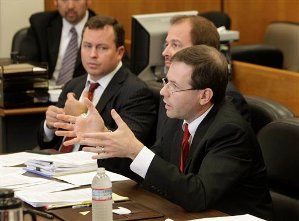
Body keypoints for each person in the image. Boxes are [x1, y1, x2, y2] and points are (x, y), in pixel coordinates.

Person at [54, 45, 272, 219]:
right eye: (166, 81)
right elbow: (152, 167)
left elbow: (199, 195)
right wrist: (104, 137)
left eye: (174, 86)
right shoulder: (180, 118)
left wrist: (136, 150)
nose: (163, 92)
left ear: (204, 96)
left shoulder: (229, 131)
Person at [37, 15, 157, 151]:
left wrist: (83, 116)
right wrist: (49, 126)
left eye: (102, 48)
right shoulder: (73, 85)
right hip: (56, 164)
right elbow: (45, 143)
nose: (92, 54)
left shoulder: (136, 93)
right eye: (87, 46)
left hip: (96, 169)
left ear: (120, 52)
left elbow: (127, 152)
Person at [140, 15, 251, 138]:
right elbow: (162, 146)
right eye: (166, 44)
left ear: (201, 50)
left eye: (175, 45)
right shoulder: (169, 88)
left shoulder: (229, 98)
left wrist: (135, 150)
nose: (165, 52)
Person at [19, 0, 96, 87]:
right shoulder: (40, 23)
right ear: (55, 2)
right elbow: (26, 63)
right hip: (45, 90)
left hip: (81, 93)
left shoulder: (101, 30)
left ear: (89, 1)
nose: (70, 6)